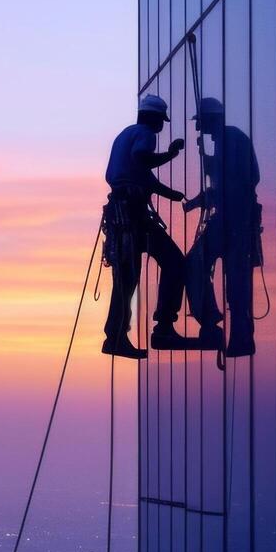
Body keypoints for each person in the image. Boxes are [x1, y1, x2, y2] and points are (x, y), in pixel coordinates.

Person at [101, 93, 199, 358]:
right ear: (153, 117)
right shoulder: (144, 134)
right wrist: (170, 154)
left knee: (126, 278)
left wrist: (173, 195)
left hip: (122, 215)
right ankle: (164, 326)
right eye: (162, 121)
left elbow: (144, 176)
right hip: (132, 215)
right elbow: (142, 158)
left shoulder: (125, 134)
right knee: (175, 263)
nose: (162, 127)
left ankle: (115, 337)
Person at [182, 97, 260, 356]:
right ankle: (221, 325)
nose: (198, 128)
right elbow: (224, 185)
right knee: (206, 266)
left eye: (200, 122)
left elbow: (241, 180)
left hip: (235, 221)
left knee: (222, 274)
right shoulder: (228, 140)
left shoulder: (232, 139)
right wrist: (196, 200)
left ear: (210, 120)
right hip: (230, 219)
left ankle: (235, 333)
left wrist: (213, 165)